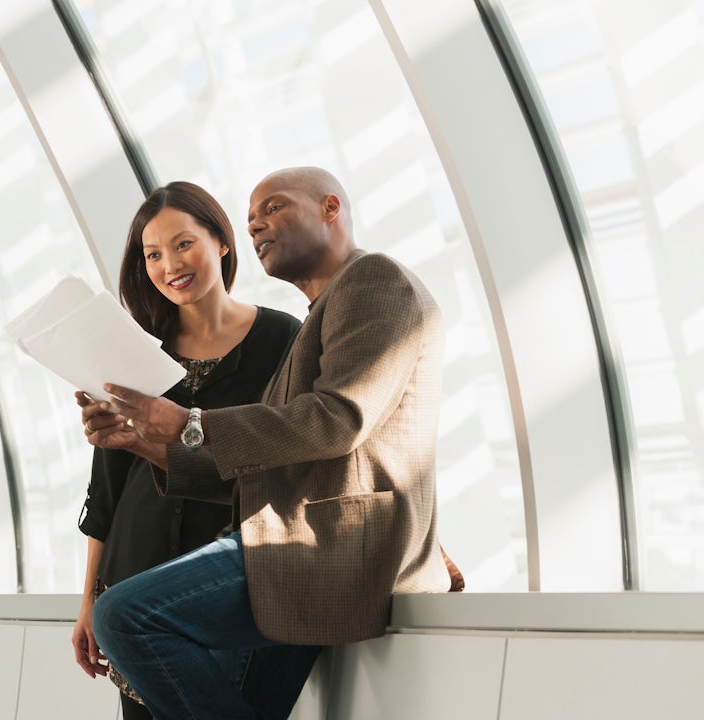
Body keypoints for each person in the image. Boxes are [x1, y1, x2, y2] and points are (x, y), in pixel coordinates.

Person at [81, 167, 464, 719]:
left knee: (126, 617)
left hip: (329, 548)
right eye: (252, 215)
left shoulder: (374, 279)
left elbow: (337, 420)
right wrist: (143, 442)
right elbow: (274, 465)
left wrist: (191, 424)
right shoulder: (319, 316)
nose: (257, 223)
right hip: (304, 545)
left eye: (275, 207)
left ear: (332, 208)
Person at [71, 181, 302, 720]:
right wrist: (89, 600)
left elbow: (305, 454)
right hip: (131, 579)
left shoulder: (283, 340)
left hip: (226, 588)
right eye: (152, 254)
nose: (168, 264)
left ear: (221, 242)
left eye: (182, 244)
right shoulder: (133, 349)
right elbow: (105, 491)